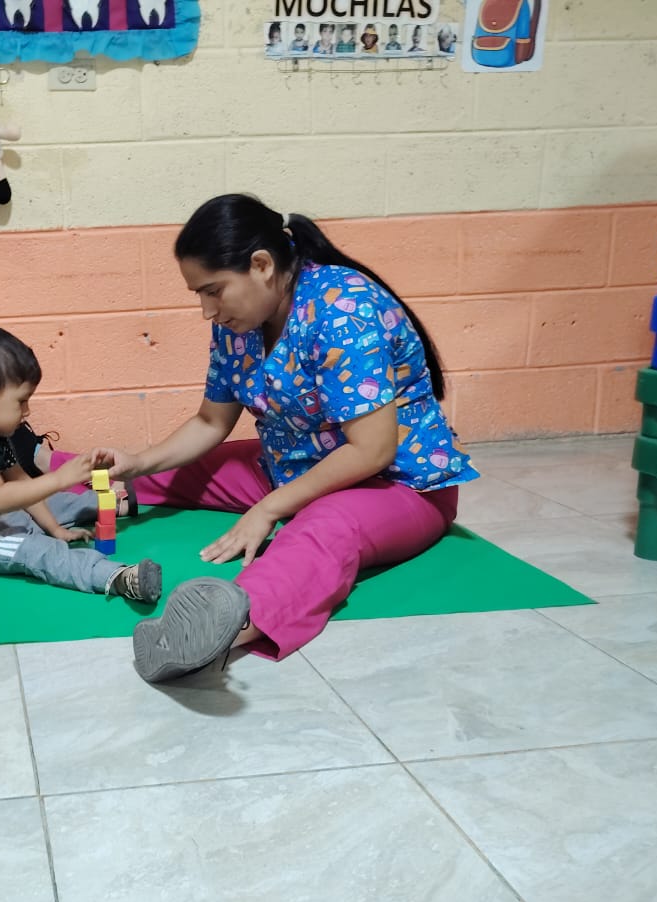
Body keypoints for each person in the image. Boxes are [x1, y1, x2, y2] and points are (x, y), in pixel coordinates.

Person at [71, 194, 478, 683]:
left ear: (262, 265)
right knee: (198, 468)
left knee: (327, 528)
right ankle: (54, 484)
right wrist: (138, 463)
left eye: (213, 291)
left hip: (397, 485)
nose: (206, 310)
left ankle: (225, 622)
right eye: (199, 294)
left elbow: (373, 450)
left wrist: (268, 509)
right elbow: (210, 423)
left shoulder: (343, 307)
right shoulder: (240, 323)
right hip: (296, 465)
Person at [0, 323, 162, 603]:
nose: (27, 411)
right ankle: (117, 577)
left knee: (55, 500)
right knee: (39, 552)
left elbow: (21, 481)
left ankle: (116, 504)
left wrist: (55, 529)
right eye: (21, 401)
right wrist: (59, 478)